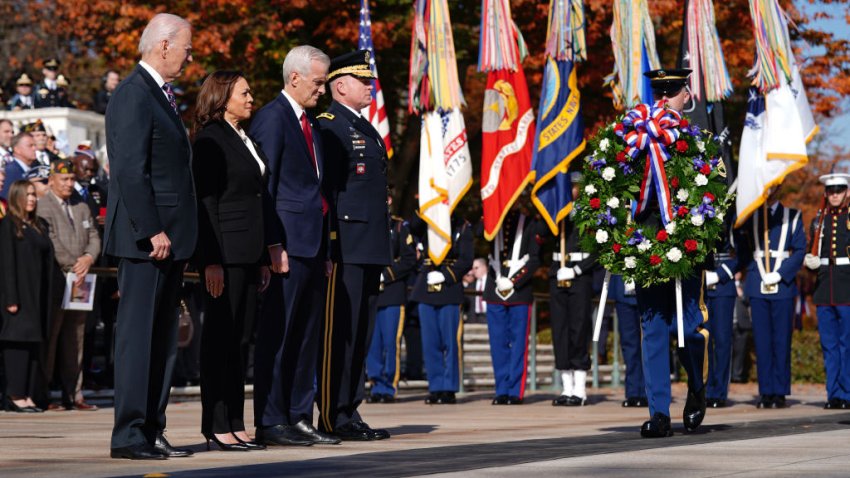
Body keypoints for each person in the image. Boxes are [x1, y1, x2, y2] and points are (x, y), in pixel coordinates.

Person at [104, 13, 197, 460]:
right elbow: (129, 168)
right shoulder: (134, 93)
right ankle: (129, 435)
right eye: (186, 47)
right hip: (148, 240)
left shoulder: (161, 95)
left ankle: (151, 429)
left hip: (170, 238)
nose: (189, 55)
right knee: (138, 340)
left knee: (163, 342)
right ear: (164, 45)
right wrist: (151, 228)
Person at [249, 45, 337, 447]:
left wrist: (327, 251)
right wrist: (272, 243)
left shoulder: (312, 124)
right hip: (286, 244)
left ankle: (300, 415)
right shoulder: (272, 118)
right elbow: (265, 187)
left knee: (306, 338)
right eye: (319, 82)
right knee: (279, 337)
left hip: (313, 246)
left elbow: (320, 190)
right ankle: (271, 419)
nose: (324, 90)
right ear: (295, 77)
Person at [192, 70, 270, 451]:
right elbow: (206, 203)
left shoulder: (245, 138)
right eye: (245, 92)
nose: (252, 97)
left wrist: (264, 256)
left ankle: (237, 422)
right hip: (224, 254)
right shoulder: (210, 140)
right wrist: (211, 260)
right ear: (223, 98)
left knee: (240, 340)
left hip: (249, 254)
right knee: (221, 338)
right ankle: (217, 422)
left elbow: (258, 197)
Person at [316, 49, 392, 441]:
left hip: (369, 245)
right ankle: (331, 414)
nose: (370, 88)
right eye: (364, 82)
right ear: (340, 85)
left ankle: (349, 410)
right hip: (345, 245)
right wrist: (328, 246)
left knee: (360, 334)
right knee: (339, 334)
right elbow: (326, 192)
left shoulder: (366, 128)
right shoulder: (329, 126)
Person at [635, 68, 708, 438]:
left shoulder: (697, 138)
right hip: (648, 243)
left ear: (685, 95)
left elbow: (715, 193)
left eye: (674, 91)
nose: (669, 98)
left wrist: (697, 236)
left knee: (687, 329)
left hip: (686, 246)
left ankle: (697, 388)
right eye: (663, 92)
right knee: (653, 329)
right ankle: (659, 413)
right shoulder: (636, 136)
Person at [36, 158, 100, 411]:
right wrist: (75, 264)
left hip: (81, 281)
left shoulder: (81, 205)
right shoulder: (44, 206)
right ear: (51, 180)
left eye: (72, 179)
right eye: (64, 179)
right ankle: (46, 393)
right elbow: (50, 240)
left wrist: (88, 258)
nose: (69, 183)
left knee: (76, 338)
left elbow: (94, 235)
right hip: (58, 278)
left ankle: (74, 394)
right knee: (52, 337)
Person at [737, 186, 805, 409]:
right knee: (762, 341)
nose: (771, 190)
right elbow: (742, 248)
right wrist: (754, 270)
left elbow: (800, 249)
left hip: (782, 284)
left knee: (781, 340)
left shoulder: (792, 216)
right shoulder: (752, 216)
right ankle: (765, 392)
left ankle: (780, 392)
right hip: (758, 283)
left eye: (775, 185)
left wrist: (781, 273)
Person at [0, 180, 53, 413]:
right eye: (27, 195)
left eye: (34, 194)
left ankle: (28, 393)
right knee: (17, 343)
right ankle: (15, 394)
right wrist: (10, 297)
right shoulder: (8, 225)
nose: (31, 198)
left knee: (33, 343)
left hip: (37, 293)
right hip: (17, 295)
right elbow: (6, 263)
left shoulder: (38, 224)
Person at [409, 215, 473, 405]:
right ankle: (435, 387)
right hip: (426, 288)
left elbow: (466, 259)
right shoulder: (428, 218)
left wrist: (446, 275)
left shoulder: (462, 225)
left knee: (450, 343)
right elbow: (413, 227)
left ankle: (449, 388)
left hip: (449, 289)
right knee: (430, 344)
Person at [485, 206, 541, 406]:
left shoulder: (530, 223)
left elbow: (535, 260)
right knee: (498, 343)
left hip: (519, 290)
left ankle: (515, 391)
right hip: (495, 287)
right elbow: (479, 234)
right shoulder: (492, 221)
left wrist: (515, 281)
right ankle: (501, 389)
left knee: (518, 344)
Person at [549, 178, 598, 407]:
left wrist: (577, 270)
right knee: (560, 332)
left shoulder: (589, 214)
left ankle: (579, 388)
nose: (571, 191)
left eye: (574, 187)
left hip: (579, 278)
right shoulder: (555, 215)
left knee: (578, 330)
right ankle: (566, 387)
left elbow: (598, 250)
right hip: (557, 275)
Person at [803, 173, 850, 409]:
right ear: (825, 194)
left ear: (847, 192)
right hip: (824, 288)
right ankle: (834, 394)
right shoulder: (818, 220)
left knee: (847, 344)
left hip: (846, 288)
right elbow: (813, 248)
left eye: (839, 190)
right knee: (829, 345)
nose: (835, 195)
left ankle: (848, 392)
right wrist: (809, 261)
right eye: (831, 191)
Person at [366, 210, 417, 404]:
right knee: (373, 344)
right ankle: (375, 384)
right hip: (372, 292)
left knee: (390, 342)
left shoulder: (398, 226)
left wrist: (386, 275)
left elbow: (409, 258)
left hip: (392, 293)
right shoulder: (369, 221)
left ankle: (388, 386)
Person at [704, 222, 740, 408]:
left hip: (723, 286)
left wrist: (719, 275)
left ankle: (719, 392)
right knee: (704, 341)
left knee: (723, 340)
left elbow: (741, 253)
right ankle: (705, 388)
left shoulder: (732, 216)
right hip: (702, 286)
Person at [609, 274, 647, 407]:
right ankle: (633, 392)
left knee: (648, 344)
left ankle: (648, 391)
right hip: (623, 292)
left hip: (647, 289)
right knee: (629, 344)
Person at [2, 132, 38, 199]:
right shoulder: (11, 171)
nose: (35, 149)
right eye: (30, 146)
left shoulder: (33, 169)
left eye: (35, 145)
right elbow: (6, 198)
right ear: (17, 150)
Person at [467, 258, 488, 324]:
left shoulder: (493, 283)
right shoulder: (470, 286)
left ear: (484, 267)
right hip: (474, 319)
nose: (474, 271)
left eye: (476, 268)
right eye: (472, 268)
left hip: (489, 316)